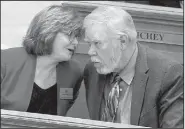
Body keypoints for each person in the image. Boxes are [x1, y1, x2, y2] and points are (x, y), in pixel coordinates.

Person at [83, 6, 183, 128]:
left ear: (123, 41)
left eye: (97, 43)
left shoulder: (168, 75)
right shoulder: (92, 70)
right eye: (89, 44)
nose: (90, 51)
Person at [1, 5, 83, 116]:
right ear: (48, 32)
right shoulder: (6, 61)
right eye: (70, 35)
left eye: (77, 36)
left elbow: (65, 107)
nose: (75, 42)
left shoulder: (74, 71)